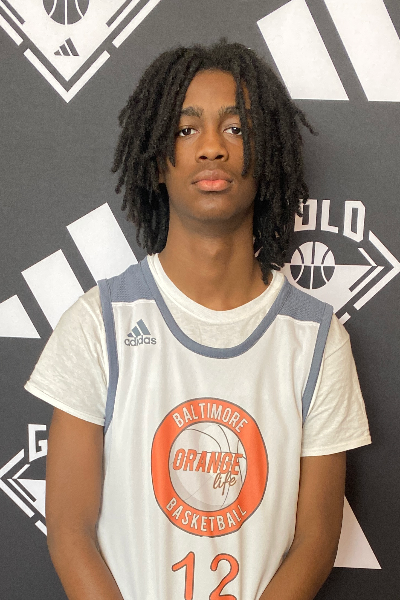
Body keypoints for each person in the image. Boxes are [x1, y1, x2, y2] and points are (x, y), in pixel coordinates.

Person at [24, 40, 371, 600]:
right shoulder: (98, 324)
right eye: (186, 130)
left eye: (235, 128)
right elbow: (70, 530)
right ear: (156, 161)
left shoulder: (317, 340)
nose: (211, 147)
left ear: (268, 155)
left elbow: (315, 542)